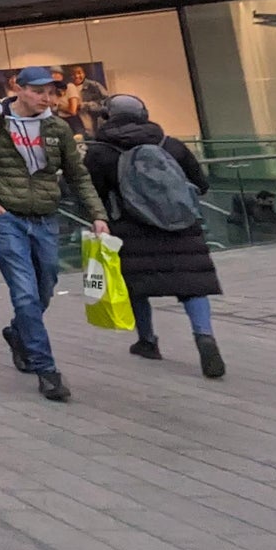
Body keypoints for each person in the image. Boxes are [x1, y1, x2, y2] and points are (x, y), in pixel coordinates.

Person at [0, 66, 109, 403]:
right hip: (6, 216)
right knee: (25, 292)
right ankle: (46, 369)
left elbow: (77, 174)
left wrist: (97, 214)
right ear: (19, 89)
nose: (47, 98)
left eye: (52, 92)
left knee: (46, 285)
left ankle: (18, 332)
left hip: (44, 215)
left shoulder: (56, 127)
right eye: (39, 91)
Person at [83, 94, 224, 378]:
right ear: (144, 114)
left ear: (107, 117)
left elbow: (90, 194)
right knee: (193, 284)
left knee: (136, 286)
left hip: (130, 230)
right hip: (181, 227)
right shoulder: (170, 145)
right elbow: (201, 184)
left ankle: (147, 340)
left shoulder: (99, 151)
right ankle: (204, 336)